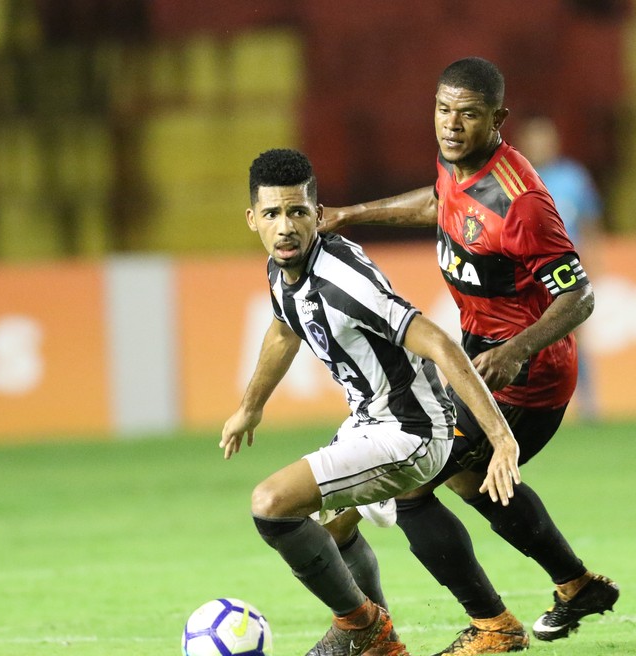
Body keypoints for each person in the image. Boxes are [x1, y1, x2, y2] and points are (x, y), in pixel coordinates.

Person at [322, 57, 619, 655]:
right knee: (471, 481)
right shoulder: (457, 163)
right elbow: (438, 204)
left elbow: (580, 294)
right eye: (443, 110)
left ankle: (493, 627)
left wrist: (518, 348)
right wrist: (350, 215)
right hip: (481, 355)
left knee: (410, 484)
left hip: (528, 373)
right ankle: (576, 585)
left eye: (469, 114)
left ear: (498, 119)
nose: (451, 125)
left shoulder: (522, 203)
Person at [221, 148, 523, 656]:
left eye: (298, 211)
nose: (285, 226)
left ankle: (363, 628)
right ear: (253, 219)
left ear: (318, 214)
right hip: (372, 421)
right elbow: (282, 330)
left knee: (272, 506)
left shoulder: (343, 281)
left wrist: (500, 436)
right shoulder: (283, 271)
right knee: (331, 531)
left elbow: (441, 344)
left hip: (411, 430)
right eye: (272, 214)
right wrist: (252, 406)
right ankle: (381, 645)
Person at [516, 114, 603, 422]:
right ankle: (531, 412)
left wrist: (595, 264)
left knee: (576, 338)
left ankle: (589, 405)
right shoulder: (513, 179)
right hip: (527, 274)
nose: (540, 144)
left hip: (567, 270)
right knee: (527, 343)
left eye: (545, 137)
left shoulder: (573, 177)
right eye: (534, 138)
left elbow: (589, 223)